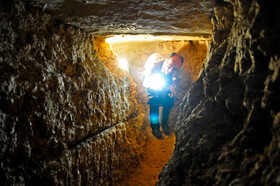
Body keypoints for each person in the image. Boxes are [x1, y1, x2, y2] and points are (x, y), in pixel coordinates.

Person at [144, 53, 184, 139]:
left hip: (165, 81)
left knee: (170, 99)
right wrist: (152, 86)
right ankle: (155, 128)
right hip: (153, 80)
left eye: (174, 69)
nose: (170, 70)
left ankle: (164, 122)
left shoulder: (175, 70)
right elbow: (146, 81)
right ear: (166, 61)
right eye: (169, 66)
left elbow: (176, 78)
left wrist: (173, 85)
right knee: (154, 100)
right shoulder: (153, 66)